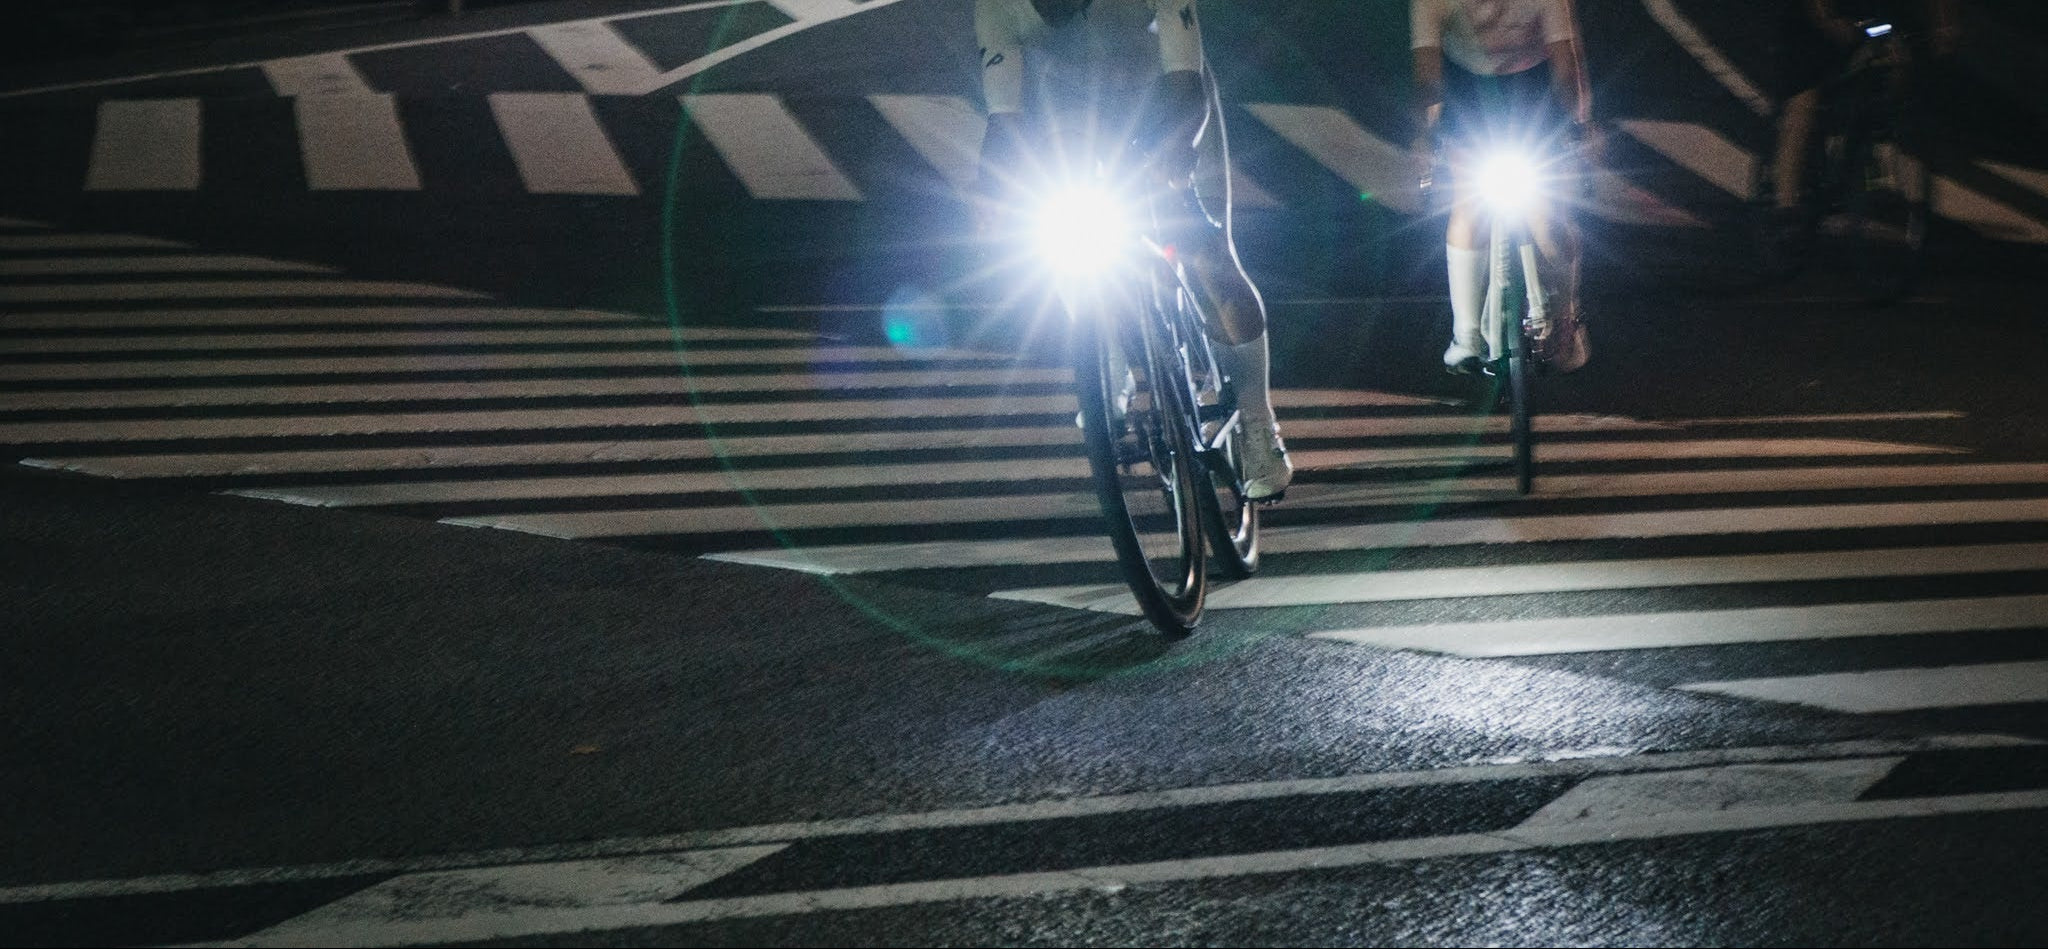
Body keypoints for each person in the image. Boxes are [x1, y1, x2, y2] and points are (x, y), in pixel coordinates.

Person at [973, 0, 1293, 501]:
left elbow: (1186, 82)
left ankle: (1258, 421)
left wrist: (1176, 151)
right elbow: (1003, 120)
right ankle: (1109, 356)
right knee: (1054, 226)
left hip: (1169, 98)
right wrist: (989, 191)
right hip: (1077, 120)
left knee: (1205, 251)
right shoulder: (997, 7)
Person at [1410, 0, 1595, 376]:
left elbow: (1566, 69)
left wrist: (1578, 128)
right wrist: (1425, 136)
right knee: (1469, 205)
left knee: (1546, 216)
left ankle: (1563, 319)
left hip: (1534, 90)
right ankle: (1467, 336)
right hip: (1469, 92)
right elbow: (1428, 78)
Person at [1763, 0, 1961, 263]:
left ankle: (1865, 155)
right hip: (1808, 18)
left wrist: (1946, 26)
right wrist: (1826, 19)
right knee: (1805, 101)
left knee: (1895, 68)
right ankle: (1785, 205)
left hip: (1865, 20)